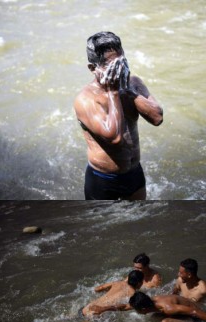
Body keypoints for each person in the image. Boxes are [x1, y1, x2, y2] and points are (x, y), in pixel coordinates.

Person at [74, 31, 163, 200]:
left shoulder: (134, 84)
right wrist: (113, 91)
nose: (119, 70)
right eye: (112, 66)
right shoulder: (85, 99)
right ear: (93, 69)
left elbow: (157, 118)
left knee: (139, 222)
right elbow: (115, 138)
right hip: (104, 180)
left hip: (134, 172)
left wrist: (127, 91)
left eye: (121, 62)